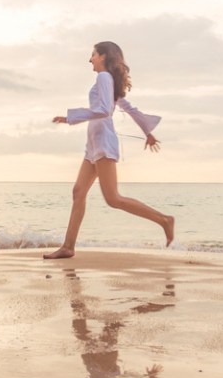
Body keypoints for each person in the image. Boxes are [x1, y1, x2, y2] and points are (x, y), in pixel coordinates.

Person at [43, 41, 175, 259]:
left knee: (113, 199)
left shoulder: (104, 78)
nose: (90, 59)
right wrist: (148, 132)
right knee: (78, 192)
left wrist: (70, 118)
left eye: (93, 54)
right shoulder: (108, 81)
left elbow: (104, 110)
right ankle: (68, 247)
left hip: (103, 141)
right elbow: (128, 107)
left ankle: (164, 220)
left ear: (103, 56)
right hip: (94, 143)